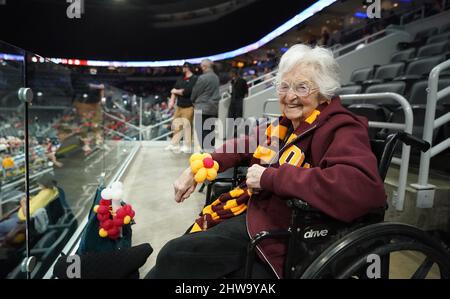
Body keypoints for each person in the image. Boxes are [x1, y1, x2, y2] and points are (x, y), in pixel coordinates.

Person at [146, 44, 386, 279]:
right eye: (284, 86)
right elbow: (244, 145)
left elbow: (361, 187)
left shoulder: (341, 126)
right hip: (259, 215)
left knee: (173, 254)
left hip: (288, 235)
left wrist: (270, 177)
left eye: (302, 87)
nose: (290, 96)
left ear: (323, 92)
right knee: (173, 257)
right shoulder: (285, 125)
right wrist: (201, 165)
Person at [0, 174, 59, 243]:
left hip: (22, 220)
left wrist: (23, 202)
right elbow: (37, 201)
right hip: (21, 215)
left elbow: (27, 214)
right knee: (6, 219)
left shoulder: (44, 195)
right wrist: (30, 198)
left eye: (40, 184)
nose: (38, 185)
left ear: (45, 184)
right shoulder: (52, 190)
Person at [165, 62, 198, 153]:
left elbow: (187, 92)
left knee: (186, 125)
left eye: (184, 67)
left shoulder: (194, 79)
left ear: (188, 68)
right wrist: (172, 100)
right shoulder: (181, 78)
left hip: (189, 106)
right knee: (176, 125)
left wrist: (176, 91)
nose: (183, 68)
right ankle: (174, 144)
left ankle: (187, 146)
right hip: (179, 106)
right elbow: (173, 90)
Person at [190, 59, 220, 151]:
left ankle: (205, 150)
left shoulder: (202, 78)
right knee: (210, 129)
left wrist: (192, 100)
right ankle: (211, 149)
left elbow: (195, 92)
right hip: (213, 107)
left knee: (201, 129)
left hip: (201, 107)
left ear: (204, 66)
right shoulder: (216, 77)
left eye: (201, 66)